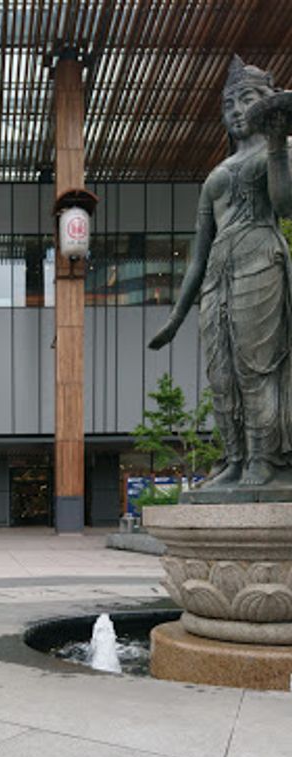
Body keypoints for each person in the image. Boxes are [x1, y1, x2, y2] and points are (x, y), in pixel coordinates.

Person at [149, 55, 292, 489]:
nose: (235, 111)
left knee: (256, 366)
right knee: (222, 373)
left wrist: (275, 144)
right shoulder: (216, 174)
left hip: (259, 258)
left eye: (246, 100)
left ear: (266, 104)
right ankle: (233, 458)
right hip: (216, 275)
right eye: (229, 104)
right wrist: (176, 317)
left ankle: (263, 460)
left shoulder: (279, 152)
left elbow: (284, 206)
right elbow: (197, 252)